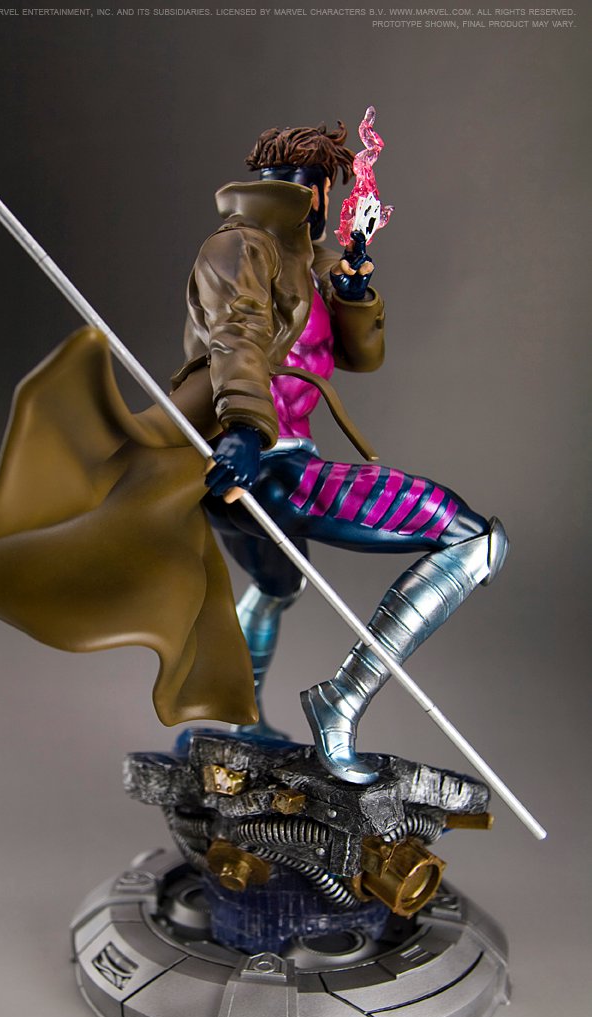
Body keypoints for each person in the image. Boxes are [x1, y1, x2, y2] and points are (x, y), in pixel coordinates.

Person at [188, 122, 508, 784]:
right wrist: (243, 426)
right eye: (302, 191)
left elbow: (361, 357)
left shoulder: (316, 260)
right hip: (256, 461)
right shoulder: (238, 247)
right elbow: (234, 336)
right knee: (472, 539)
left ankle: (229, 719)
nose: (310, 205)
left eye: (314, 192)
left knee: (278, 584)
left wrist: (355, 293)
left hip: (270, 459)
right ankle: (341, 699)